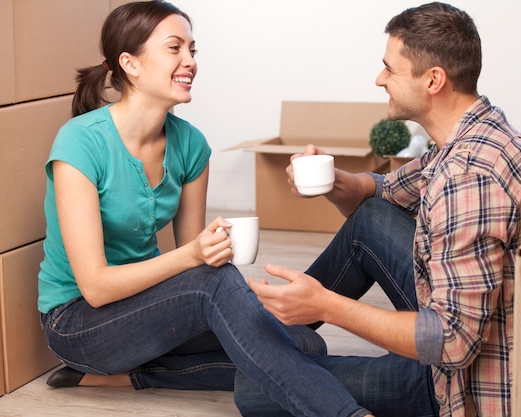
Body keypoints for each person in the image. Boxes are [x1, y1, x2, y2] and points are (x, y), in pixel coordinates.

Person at [37, 2, 375, 416]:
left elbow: (198, 263)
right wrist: (200, 261)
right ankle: (345, 413)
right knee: (237, 309)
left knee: (305, 341)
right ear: (131, 64)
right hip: (79, 322)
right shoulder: (80, 144)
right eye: (174, 48)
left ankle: (141, 375)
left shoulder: (191, 145)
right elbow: (97, 287)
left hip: (146, 307)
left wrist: (233, 282)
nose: (189, 62)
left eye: (193, 51)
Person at [236, 2, 521, 417]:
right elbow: (388, 189)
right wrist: (335, 181)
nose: (379, 79)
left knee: (254, 389)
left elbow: (454, 341)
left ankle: (261, 340)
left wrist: (326, 307)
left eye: (390, 69)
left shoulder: (465, 179)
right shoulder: (479, 132)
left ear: (433, 81)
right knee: (371, 215)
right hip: (471, 325)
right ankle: (266, 336)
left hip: (458, 382)